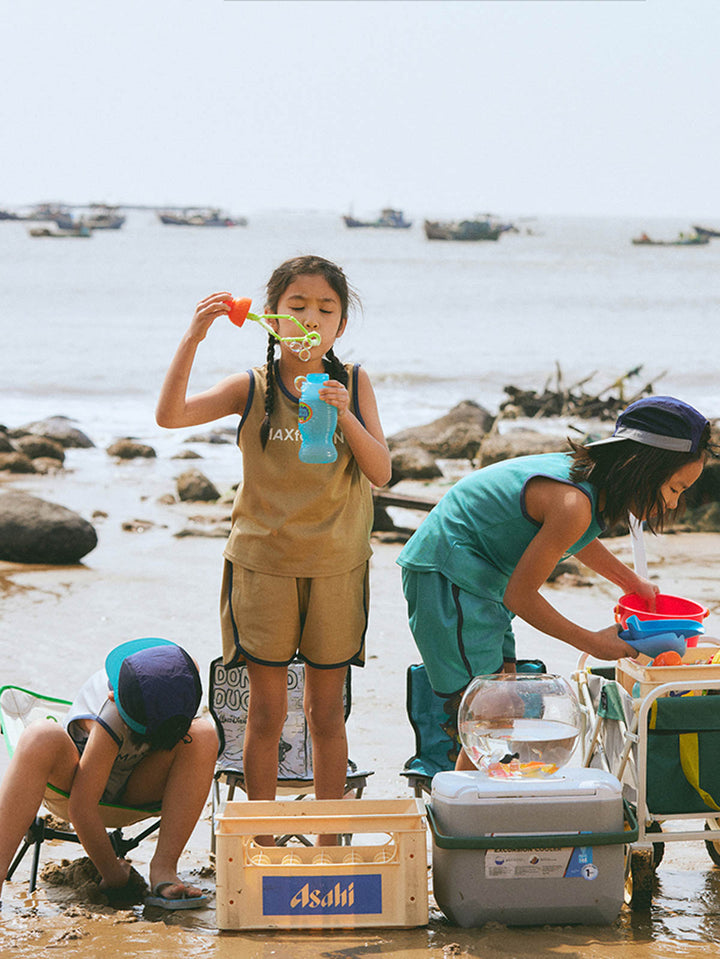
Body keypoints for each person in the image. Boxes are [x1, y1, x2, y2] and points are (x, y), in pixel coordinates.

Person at [155, 256, 391, 828]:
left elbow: (381, 471)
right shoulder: (252, 386)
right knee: (264, 716)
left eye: (325, 309)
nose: (310, 318)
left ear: (339, 325)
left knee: (326, 714)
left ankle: (329, 843)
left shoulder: (354, 382)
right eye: (297, 307)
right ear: (272, 318)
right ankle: (262, 840)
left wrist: (345, 415)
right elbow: (170, 416)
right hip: (263, 567)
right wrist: (193, 336)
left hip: (337, 567)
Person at [397, 396, 712, 769]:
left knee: (504, 699)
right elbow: (521, 596)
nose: (675, 504)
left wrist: (630, 581)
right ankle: (461, 807)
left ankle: (475, 799)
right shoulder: (573, 503)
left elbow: (574, 539)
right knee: (487, 711)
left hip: (485, 577)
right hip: (448, 574)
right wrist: (593, 642)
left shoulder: (591, 484)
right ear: (644, 469)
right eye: (675, 488)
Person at [0, 638, 218, 908]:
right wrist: (112, 874)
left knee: (205, 734)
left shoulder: (177, 691)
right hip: (78, 783)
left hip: (134, 784)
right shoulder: (113, 710)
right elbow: (81, 808)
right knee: (40, 736)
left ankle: (163, 868)